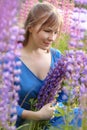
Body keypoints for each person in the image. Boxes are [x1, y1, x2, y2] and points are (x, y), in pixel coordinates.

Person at [15, 1, 64, 128]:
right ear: (30, 27)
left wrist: (55, 108)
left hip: (50, 123)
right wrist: (37, 116)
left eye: (55, 32)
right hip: (17, 125)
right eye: (47, 31)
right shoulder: (10, 59)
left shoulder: (57, 56)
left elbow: (64, 93)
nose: (52, 38)